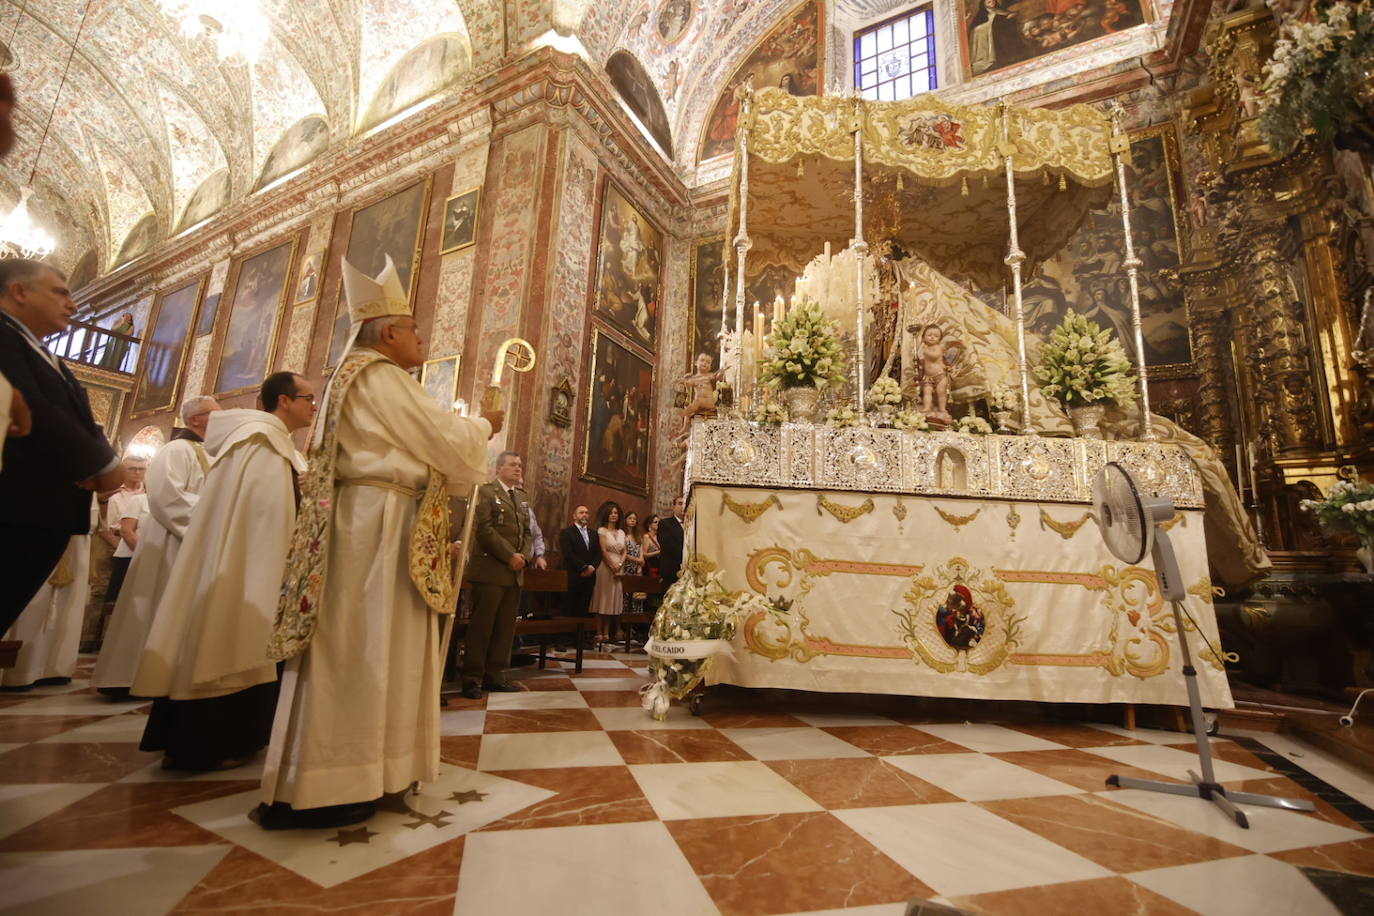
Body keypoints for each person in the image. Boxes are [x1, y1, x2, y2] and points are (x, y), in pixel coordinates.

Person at [258, 255, 499, 830]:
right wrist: (486, 424)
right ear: (388, 333)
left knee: (369, 642)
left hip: (376, 518)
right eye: (415, 329)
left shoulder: (358, 376)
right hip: (377, 525)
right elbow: (445, 439)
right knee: (363, 643)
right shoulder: (377, 375)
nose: (422, 339)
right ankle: (337, 779)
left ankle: (369, 768)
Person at [132, 373, 313, 771]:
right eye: (308, 398)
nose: (313, 406)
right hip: (246, 565)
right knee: (226, 644)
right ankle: (207, 744)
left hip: (248, 561)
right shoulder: (260, 443)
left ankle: (227, 740)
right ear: (284, 401)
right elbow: (263, 516)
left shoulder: (266, 442)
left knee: (226, 642)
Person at [0, 259, 122, 635]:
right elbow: (31, 405)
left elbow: (76, 416)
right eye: (60, 293)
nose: (72, 304)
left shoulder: (42, 351)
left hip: (37, 512)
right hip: (14, 507)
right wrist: (103, 463)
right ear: (19, 291)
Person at [92, 396, 220, 697]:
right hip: (169, 543)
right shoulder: (175, 450)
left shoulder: (209, 453)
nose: (222, 420)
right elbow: (166, 497)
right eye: (215, 414)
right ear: (195, 419)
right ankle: (129, 676)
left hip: (192, 542)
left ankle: (163, 674)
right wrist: (215, 514)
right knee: (153, 605)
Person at [461, 451, 535, 698]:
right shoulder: (486, 492)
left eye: (520, 465)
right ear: (499, 468)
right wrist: (509, 555)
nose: (518, 468)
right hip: (491, 571)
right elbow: (484, 529)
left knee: (505, 629)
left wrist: (524, 556)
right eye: (513, 464)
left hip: (514, 573)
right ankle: (472, 679)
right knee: (482, 628)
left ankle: (496, 675)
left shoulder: (521, 497)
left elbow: (527, 532)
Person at [2, 497, 94, 688]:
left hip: (74, 536)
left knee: (67, 607)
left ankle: (53, 667)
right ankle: (21, 670)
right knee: (32, 602)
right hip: (37, 528)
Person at [101, 455, 148, 605]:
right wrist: (118, 545)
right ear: (123, 470)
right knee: (102, 590)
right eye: (132, 468)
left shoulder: (148, 494)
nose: (137, 472)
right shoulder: (112, 491)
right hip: (109, 543)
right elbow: (103, 525)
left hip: (134, 546)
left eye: (141, 469)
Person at [591, 502, 626, 647]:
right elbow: (603, 550)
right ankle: (598, 631)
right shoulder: (602, 530)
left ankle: (607, 632)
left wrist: (620, 564)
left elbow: (625, 551)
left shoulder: (622, 532)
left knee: (612, 599)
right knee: (603, 598)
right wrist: (612, 565)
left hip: (619, 567)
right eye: (611, 512)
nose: (613, 515)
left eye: (616, 513)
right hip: (605, 567)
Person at [558, 505, 601, 618]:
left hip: (590, 577)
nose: (584, 515)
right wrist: (583, 567)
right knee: (570, 610)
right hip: (574, 575)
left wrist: (592, 567)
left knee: (584, 610)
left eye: (587, 512)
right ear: (574, 516)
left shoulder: (594, 533)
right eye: (581, 512)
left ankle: (581, 630)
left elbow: (598, 553)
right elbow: (568, 553)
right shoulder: (567, 532)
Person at [657, 496, 686, 588]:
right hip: (672, 571)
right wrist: (686, 556)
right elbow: (668, 546)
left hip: (688, 571)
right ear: (673, 507)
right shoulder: (665, 523)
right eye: (680, 504)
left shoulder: (692, 525)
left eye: (685, 504)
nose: (683, 507)